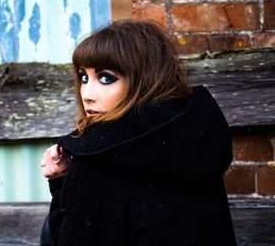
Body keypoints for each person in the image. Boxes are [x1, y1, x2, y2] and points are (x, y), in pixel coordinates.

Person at [40, 20, 236, 245]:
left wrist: (61, 184)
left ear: (144, 81)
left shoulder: (99, 159)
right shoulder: (194, 141)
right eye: (84, 77)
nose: (87, 94)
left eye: (106, 78)